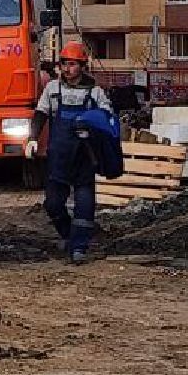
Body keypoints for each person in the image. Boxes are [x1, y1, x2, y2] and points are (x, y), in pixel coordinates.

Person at [25, 41, 115, 265]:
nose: (67, 68)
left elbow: (107, 119)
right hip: (59, 157)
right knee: (53, 204)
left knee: (84, 207)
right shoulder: (52, 89)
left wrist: (93, 126)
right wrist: (32, 138)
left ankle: (79, 248)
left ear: (82, 65)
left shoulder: (95, 93)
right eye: (64, 63)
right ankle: (68, 235)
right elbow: (40, 115)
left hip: (84, 158)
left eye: (72, 64)